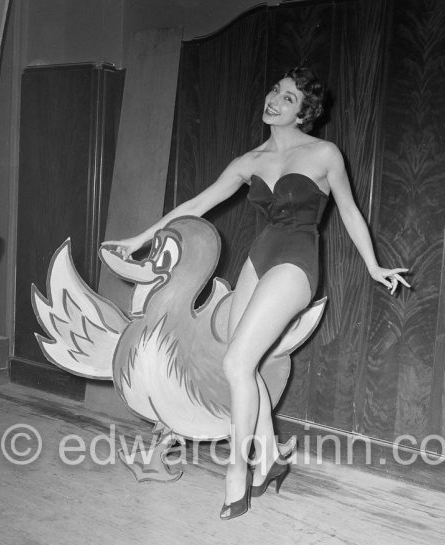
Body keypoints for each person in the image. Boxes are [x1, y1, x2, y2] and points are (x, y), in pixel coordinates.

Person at [103, 67, 410, 520]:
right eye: (275, 91)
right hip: (260, 255)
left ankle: (237, 474)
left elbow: (348, 210)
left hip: (297, 259)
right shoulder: (247, 162)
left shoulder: (324, 153)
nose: (274, 100)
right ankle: (270, 460)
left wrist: (373, 264)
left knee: (236, 363)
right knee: (241, 362)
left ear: (303, 112)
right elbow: (194, 206)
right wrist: (141, 238)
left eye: (288, 98)